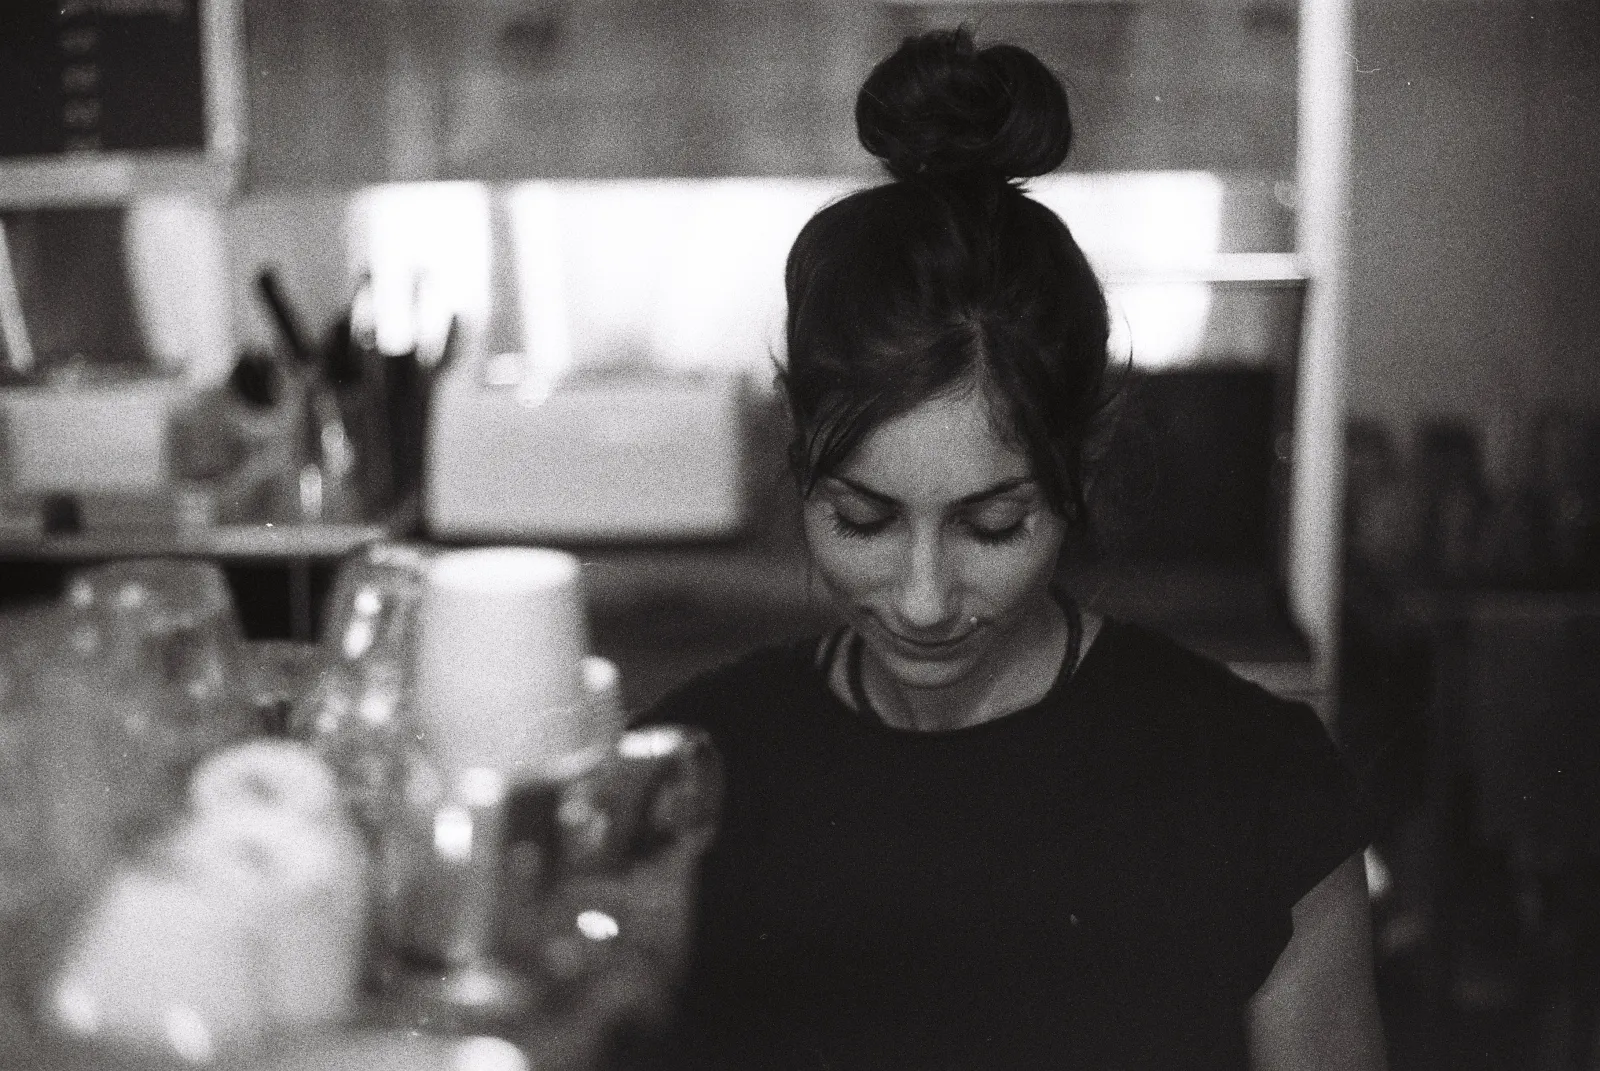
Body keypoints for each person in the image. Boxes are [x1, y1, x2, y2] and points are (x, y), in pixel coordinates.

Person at [645, 26, 1385, 1071]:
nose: (923, 598)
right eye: (862, 520)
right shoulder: (691, 779)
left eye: (994, 525)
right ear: (798, 459)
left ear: (1079, 469)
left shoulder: (1258, 792)